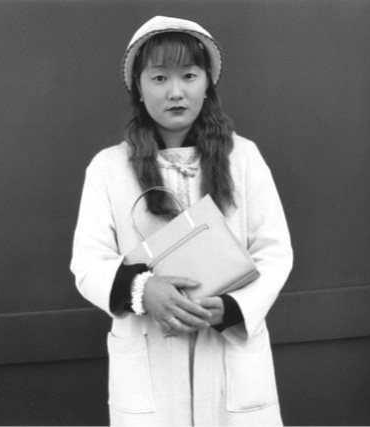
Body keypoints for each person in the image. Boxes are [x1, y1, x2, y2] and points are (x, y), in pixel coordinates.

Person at [70, 15, 293, 426]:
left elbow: (275, 253)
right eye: (159, 78)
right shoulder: (108, 168)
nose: (176, 92)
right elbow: (87, 263)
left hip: (227, 350)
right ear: (138, 86)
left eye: (189, 75)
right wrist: (142, 290)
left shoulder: (242, 158)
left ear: (207, 82)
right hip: (149, 353)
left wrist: (229, 308)